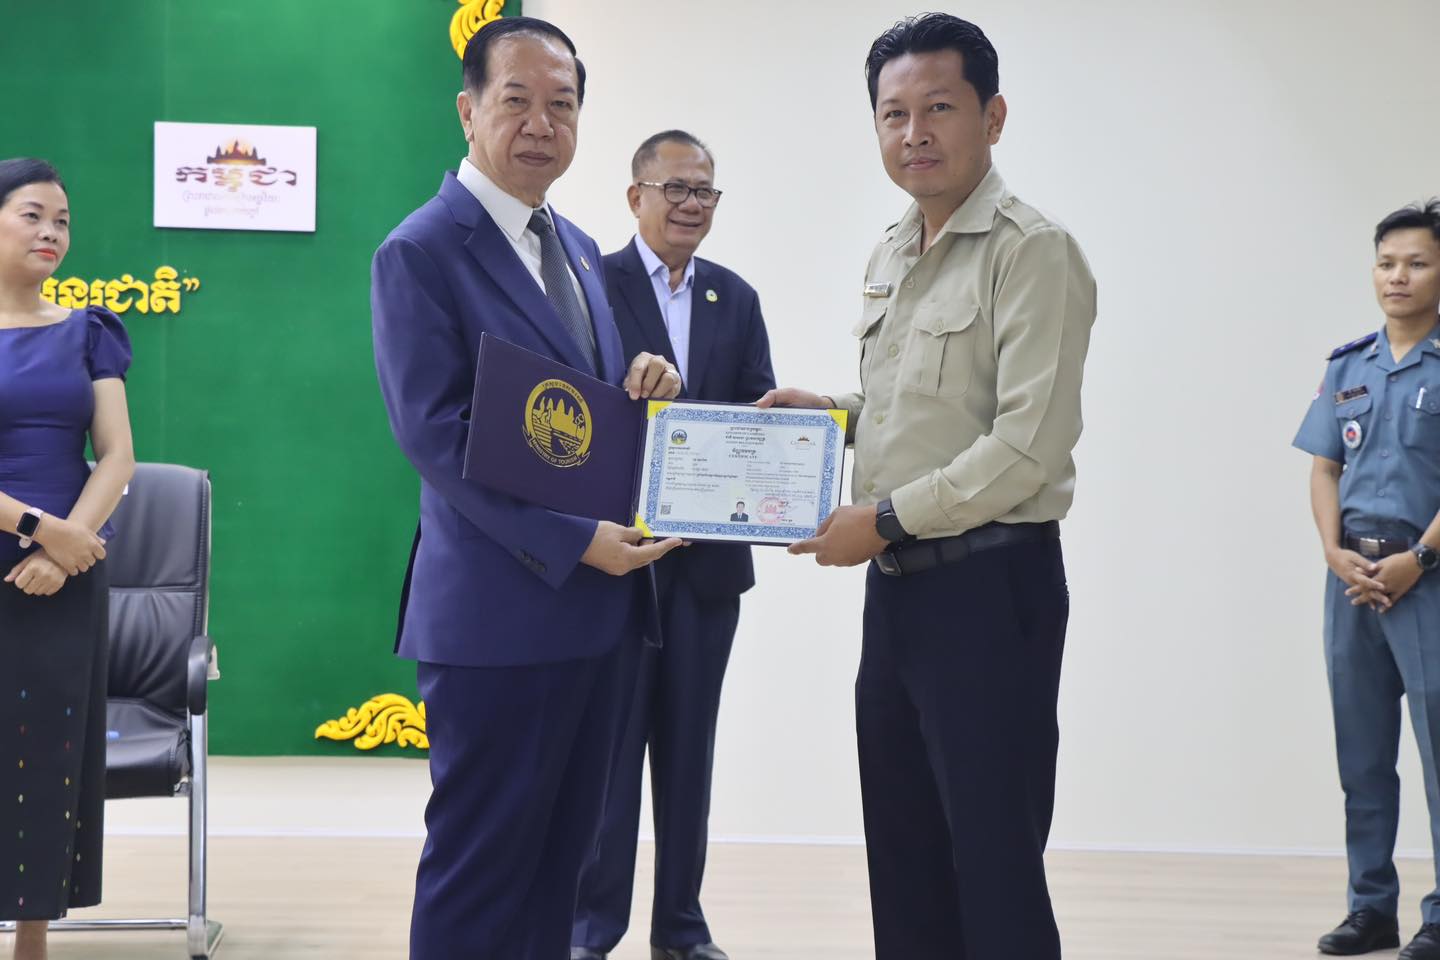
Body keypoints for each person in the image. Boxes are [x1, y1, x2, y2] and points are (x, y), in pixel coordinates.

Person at [759, 13, 1096, 959]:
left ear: (993, 116)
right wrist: (830, 413)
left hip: (991, 590)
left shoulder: (1033, 251)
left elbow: (1025, 447)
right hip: (898, 591)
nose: (914, 133)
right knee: (904, 857)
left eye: (939, 108)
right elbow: (911, 408)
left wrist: (883, 519)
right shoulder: (892, 250)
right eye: (893, 114)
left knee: (993, 864)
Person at [369, 18, 683, 960]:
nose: (542, 124)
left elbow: (576, 417)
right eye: (517, 100)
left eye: (563, 104)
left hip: (597, 616)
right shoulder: (422, 250)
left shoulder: (578, 246)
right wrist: (572, 538)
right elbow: (436, 434)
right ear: (468, 111)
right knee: (479, 872)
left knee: (561, 873)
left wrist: (645, 383)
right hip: (497, 618)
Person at [572, 130, 775, 960]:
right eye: (676, 189)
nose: (692, 205)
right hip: (618, 564)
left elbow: (760, 413)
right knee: (611, 757)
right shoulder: (592, 283)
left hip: (707, 569)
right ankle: (592, 929)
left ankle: (682, 930)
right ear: (636, 197)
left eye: (705, 192)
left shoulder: (737, 296)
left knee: (690, 756)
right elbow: (576, 410)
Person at [1295, 200, 1440, 960]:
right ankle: (1370, 908)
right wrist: (1331, 550)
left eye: (1416, 263)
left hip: (1429, 580)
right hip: (1353, 583)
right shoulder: (1348, 365)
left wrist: (1421, 559)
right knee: (1362, 758)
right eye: (1387, 263)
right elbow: (1325, 466)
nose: (1398, 276)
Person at [0, 158, 135, 960]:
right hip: (30, 543)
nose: (51, 232)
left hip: (66, 575)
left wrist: (71, 546)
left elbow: (117, 456)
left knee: (43, 755)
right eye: (33, 215)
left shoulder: (89, 330)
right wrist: (38, 529)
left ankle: (32, 940)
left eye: (62, 222)